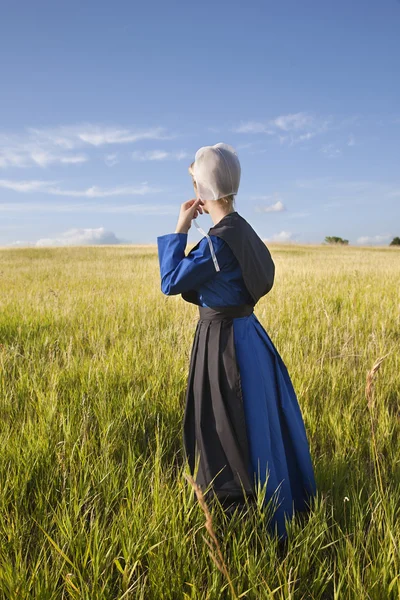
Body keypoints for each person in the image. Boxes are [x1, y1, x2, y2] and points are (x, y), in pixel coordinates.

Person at [157, 143, 316, 540]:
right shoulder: (243, 230)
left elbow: (170, 281)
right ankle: (280, 502)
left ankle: (248, 519)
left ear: (203, 190)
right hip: (250, 338)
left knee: (226, 424)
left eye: (194, 180)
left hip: (222, 342)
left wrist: (180, 225)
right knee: (261, 422)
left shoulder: (217, 243)